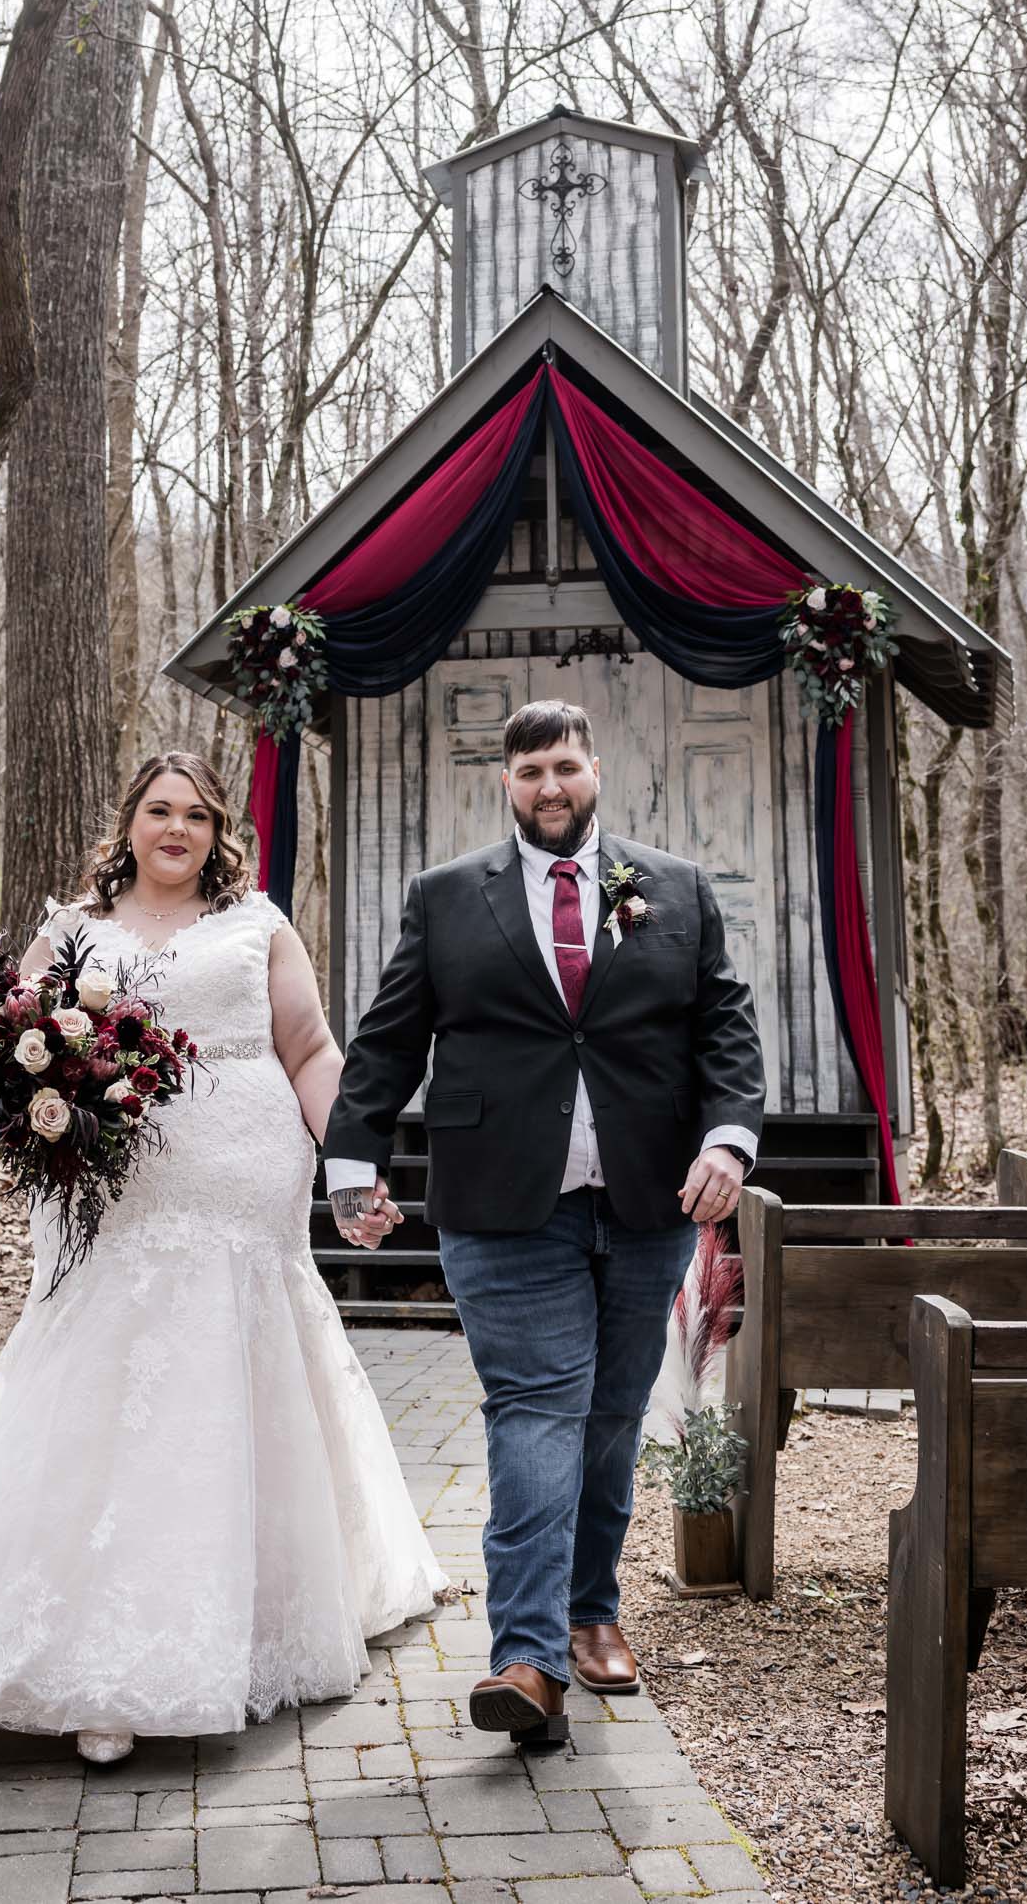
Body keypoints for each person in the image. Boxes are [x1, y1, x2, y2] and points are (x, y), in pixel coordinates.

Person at [0, 751, 443, 1761]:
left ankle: (255, 1615)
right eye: (159, 811)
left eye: (197, 816)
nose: (177, 829)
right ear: (128, 823)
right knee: (106, 1381)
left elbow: (307, 1047)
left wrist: (348, 1166)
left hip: (242, 1175)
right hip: (111, 1187)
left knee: (230, 1373)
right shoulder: (76, 926)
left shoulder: (257, 921)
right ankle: (93, 1655)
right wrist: (22, 1106)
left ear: (218, 833)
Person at [322, 699, 763, 1747]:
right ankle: (524, 1657)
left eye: (563, 766)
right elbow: (386, 1041)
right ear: (505, 782)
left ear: (594, 768)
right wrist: (351, 1162)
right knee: (533, 1407)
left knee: (609, 1414)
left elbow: (724, 1032)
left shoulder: (674, 888)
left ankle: (588, 1608)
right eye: (528, 773)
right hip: (499, 1202)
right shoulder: (444, 899)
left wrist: (727, 1141)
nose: (548, 787)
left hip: (651, 1196)